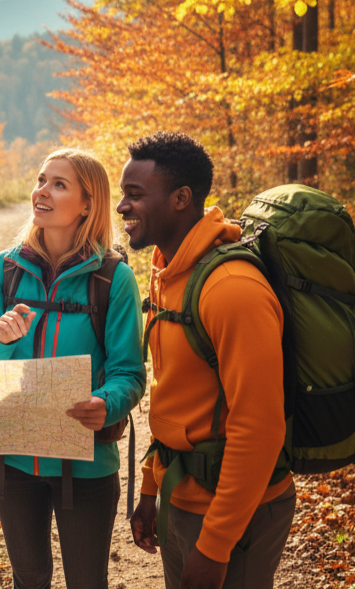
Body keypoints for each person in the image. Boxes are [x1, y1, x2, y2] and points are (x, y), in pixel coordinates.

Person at [0, 148, 146, 589]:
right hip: (12, 458)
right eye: (41, 179)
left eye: (58, 184)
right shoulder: (5, 269)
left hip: (85, 463)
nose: (41, 191)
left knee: (87, 581)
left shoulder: (112, 279)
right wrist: (0, 341)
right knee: (28, 579)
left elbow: (130, 372)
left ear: (88, 203)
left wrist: (106, 404)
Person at [121, 132, 294, 589]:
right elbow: (178, 395)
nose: (122, 207)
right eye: (124, 194)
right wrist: (150, 488)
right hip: (183, 495)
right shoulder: (168, 270)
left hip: (236, 515)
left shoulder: (232, 289)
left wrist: (215, 545)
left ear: (181, 199)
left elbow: (260, 427)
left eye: (135, 195)